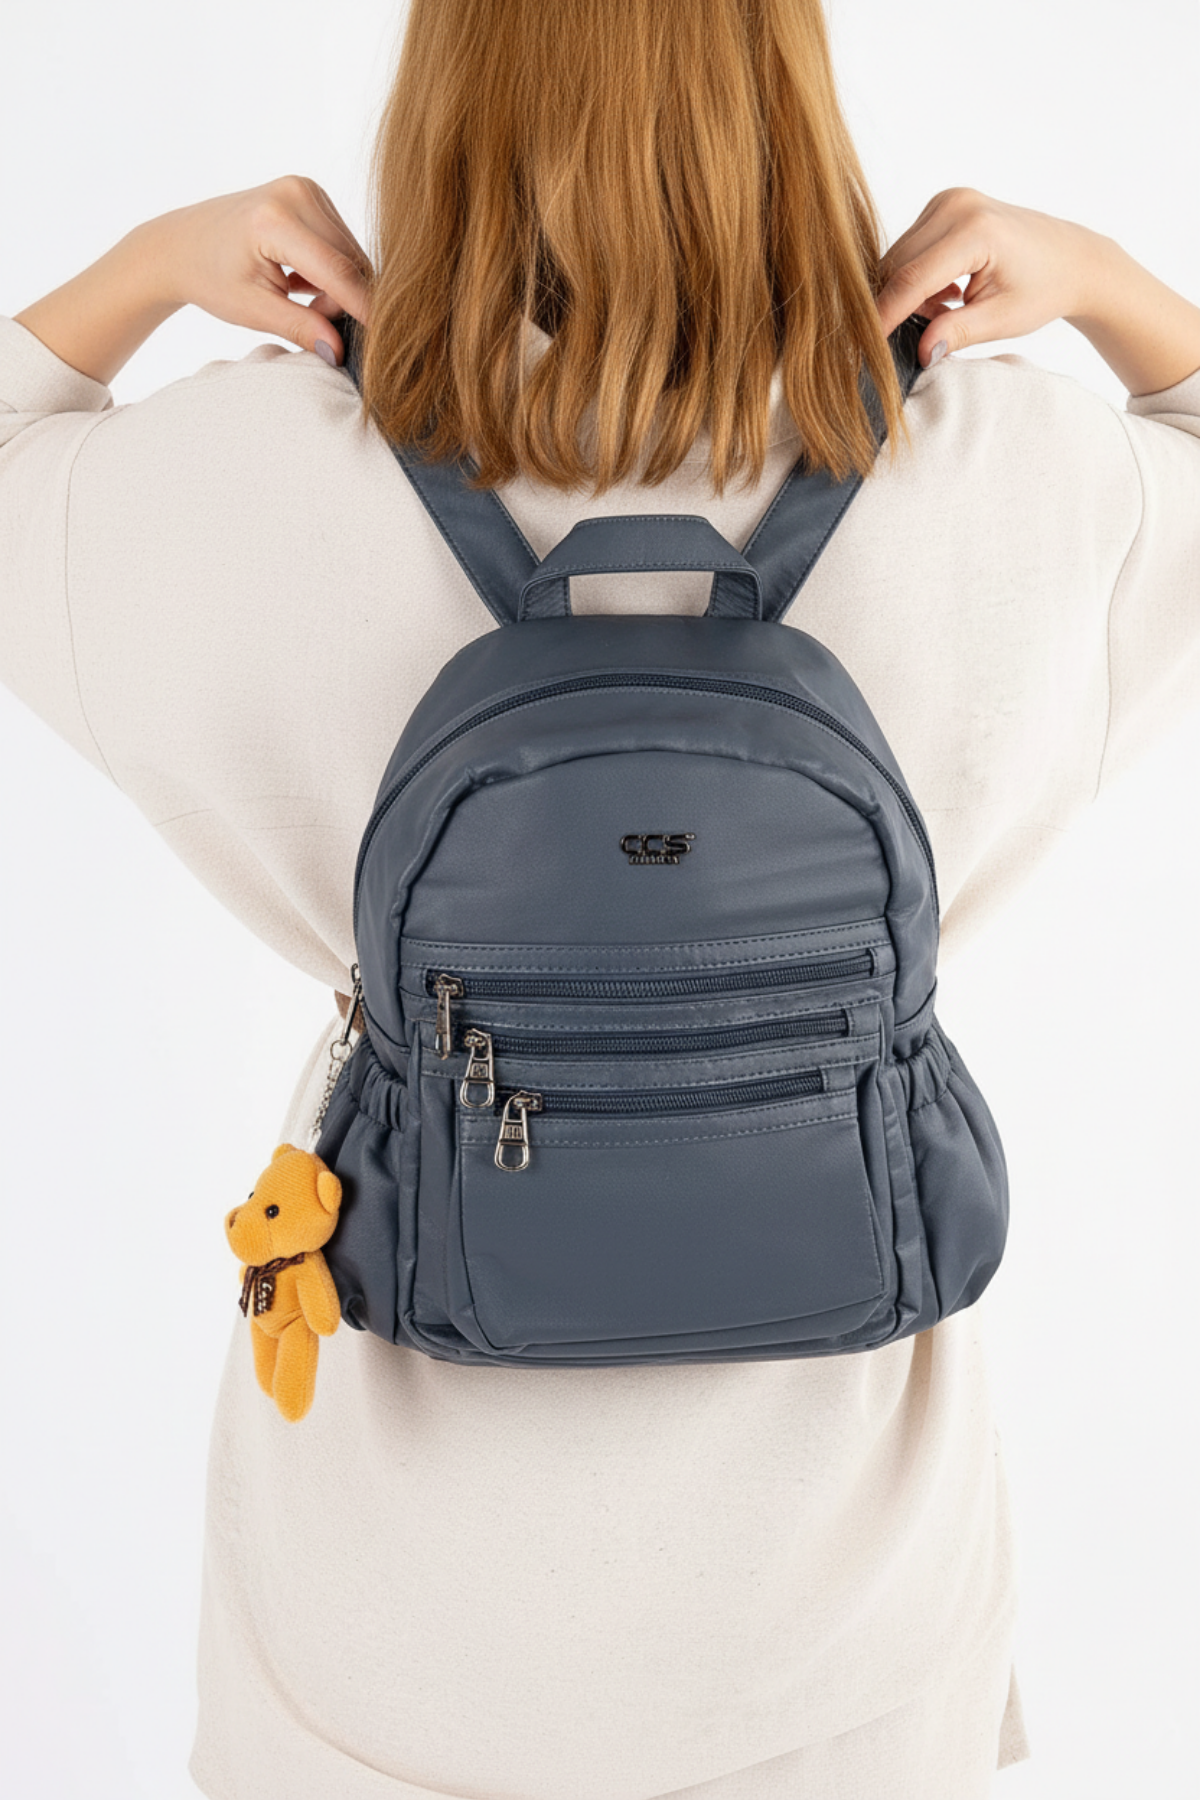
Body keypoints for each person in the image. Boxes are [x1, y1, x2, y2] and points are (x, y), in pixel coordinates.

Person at [2, 2, 1198, 1796]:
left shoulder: (234, 478)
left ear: (442, 104)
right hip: (848, 1645)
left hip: (384, 1648)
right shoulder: (1015, 474)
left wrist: (152, 266)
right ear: (787, 98)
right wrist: (1108, 285)